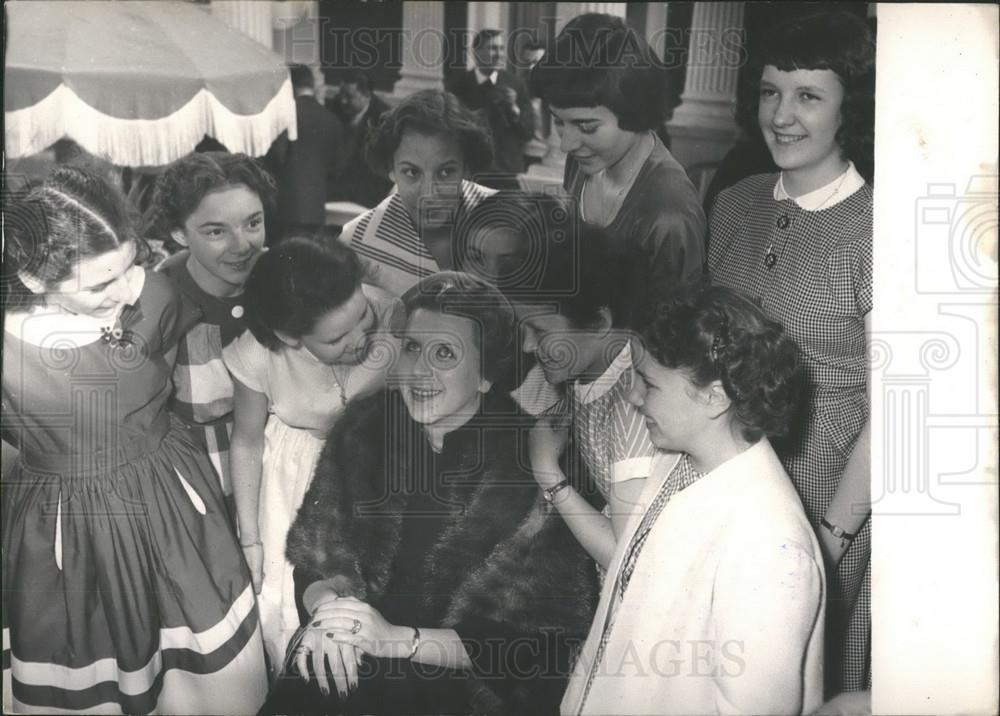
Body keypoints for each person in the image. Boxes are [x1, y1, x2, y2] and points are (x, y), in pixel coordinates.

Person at [268, 271, 597, 715]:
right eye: (411, 347)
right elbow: (315, 562)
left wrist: (397, 641)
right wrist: (330, 615)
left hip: (463, 690)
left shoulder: (529, 466)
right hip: (351, 654)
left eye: (445, 353)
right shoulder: (364, 428)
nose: (418, 371)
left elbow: (534, 648)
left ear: (486, 374)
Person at [1, 167, 267, 714]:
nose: (125, 292)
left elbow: (158, 383)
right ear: (33, 280)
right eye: (100, 283)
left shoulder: (154, 297)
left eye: (130, 265)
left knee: (191, 663)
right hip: (63, 527)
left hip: (170, 505)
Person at [707, 11, 875, 695]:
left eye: (808, 96)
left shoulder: (880, 230)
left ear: (848, 110)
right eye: (770, 92)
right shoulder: (733, 203)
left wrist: (832, 537)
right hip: (721, 483)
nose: (781, 115)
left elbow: (897, 416)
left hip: (825, 495)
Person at [562, 283, 825, 715]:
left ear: (713, 397)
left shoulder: (769, 546)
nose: (632, 396)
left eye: (648, 384)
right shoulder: (676, 462)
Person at [222, 238, 399, 675]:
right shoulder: (258, 354)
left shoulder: (392, 313)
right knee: (293, 604)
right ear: (289, 335)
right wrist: (251, 539)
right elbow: (246, 442)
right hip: (297, 480)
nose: (361, 337)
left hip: (379, 465)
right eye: (338, 338)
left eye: (363, 316)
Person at [464, 192, 661, 569]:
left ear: (600, 322)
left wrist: (547, 473)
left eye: (538, 329)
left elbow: (629, 559)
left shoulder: (637, 404)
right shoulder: (589, 372)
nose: (526, 345)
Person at [530, 13, 706, 292]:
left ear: (634, 112)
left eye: (586, 126)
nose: (566, 144)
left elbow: (675, 330)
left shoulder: (669, 215)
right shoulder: (587, 158)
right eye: (559, 121)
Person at [149, 151, 277, 518]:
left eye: (253, 223)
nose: (242, 245)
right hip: (194, 496)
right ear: (179, 233)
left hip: (278, 484)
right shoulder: (157, 299)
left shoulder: (286, 279)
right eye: (216, 231)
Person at [337, 89, 496, 298]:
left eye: (446, 172)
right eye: (411, 172)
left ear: (466, 168)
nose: (428, 193)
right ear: (391, 169)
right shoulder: (355, 242)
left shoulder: (508, 217)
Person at [446, 28, 536, 190]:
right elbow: (448, 129)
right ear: (476, 52)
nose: (499, 54)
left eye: (501, 49)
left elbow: (528, 132)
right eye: (493, 48)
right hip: (471, 172)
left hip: (507, 173)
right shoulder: (458, 85)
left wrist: (514, 108)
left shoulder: (515, 84)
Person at [268, 63, 345, 239]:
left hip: (284, 208)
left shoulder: (284, 115)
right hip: (317, 209)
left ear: (289, 86)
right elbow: (338, 166)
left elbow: (277, 158)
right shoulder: (332, 120)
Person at [326, 69, 394, 208]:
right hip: (337, 189)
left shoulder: (384, 119)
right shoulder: (334, 108)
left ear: (367, 95)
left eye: (349, 96)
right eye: (341, 95)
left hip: (368, 193)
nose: (343, 101)